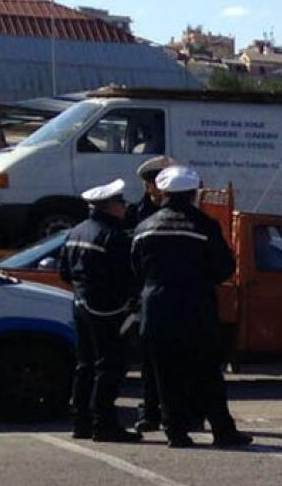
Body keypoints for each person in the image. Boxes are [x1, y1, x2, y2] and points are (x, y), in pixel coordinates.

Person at [131, 166, 252, 448]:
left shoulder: (144, 227)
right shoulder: (204, 225)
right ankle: (222, 430)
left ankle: (176, 432)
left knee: (165, 373)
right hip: (195, 308)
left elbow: (135, 268)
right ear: (193, 194)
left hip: (156, 307)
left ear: (163, 193)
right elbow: (224, 267)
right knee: (208, 371)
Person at [59, 179, 142, 443]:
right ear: (109, 207)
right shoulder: (113, 236)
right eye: (120, 203)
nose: (125, 207)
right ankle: (104, 423)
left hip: (81, 306)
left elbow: (64, 273)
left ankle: (80, 422)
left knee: (84, 365)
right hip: (107, 310)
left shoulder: (75, 232)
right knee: (110, 367)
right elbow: (125, 277)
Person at [125, 155, 175, 434]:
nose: (161, 189)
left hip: (170, 299)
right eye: (157, 183)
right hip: (145, 298)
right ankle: (149, 412)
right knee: (149, 363)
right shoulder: (136, 214)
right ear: (148, 187)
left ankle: (175, 415)